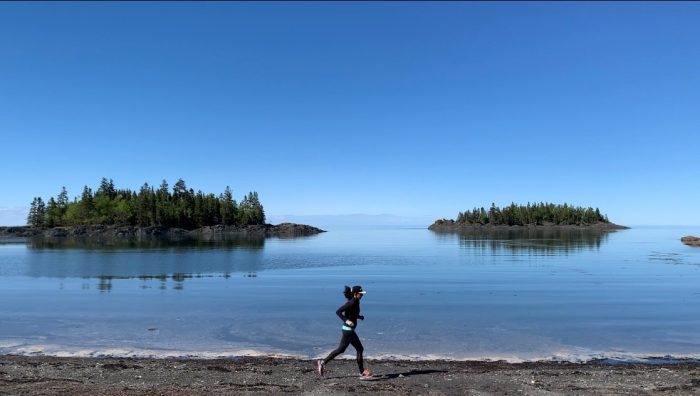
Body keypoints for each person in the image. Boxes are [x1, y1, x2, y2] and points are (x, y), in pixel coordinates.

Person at [317, 285, 372, 379]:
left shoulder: (356, 301)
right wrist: (346, 320)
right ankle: (362, 372)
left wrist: (359, 317)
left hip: (348, 330)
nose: (362, 295)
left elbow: (352, 313)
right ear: (355, 294)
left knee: (341, 350)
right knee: (360, 349)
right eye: (360, 294)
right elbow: (338, 311)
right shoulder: (352, 302)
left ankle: (322, 363)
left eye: (362, 294)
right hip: (348, 331)